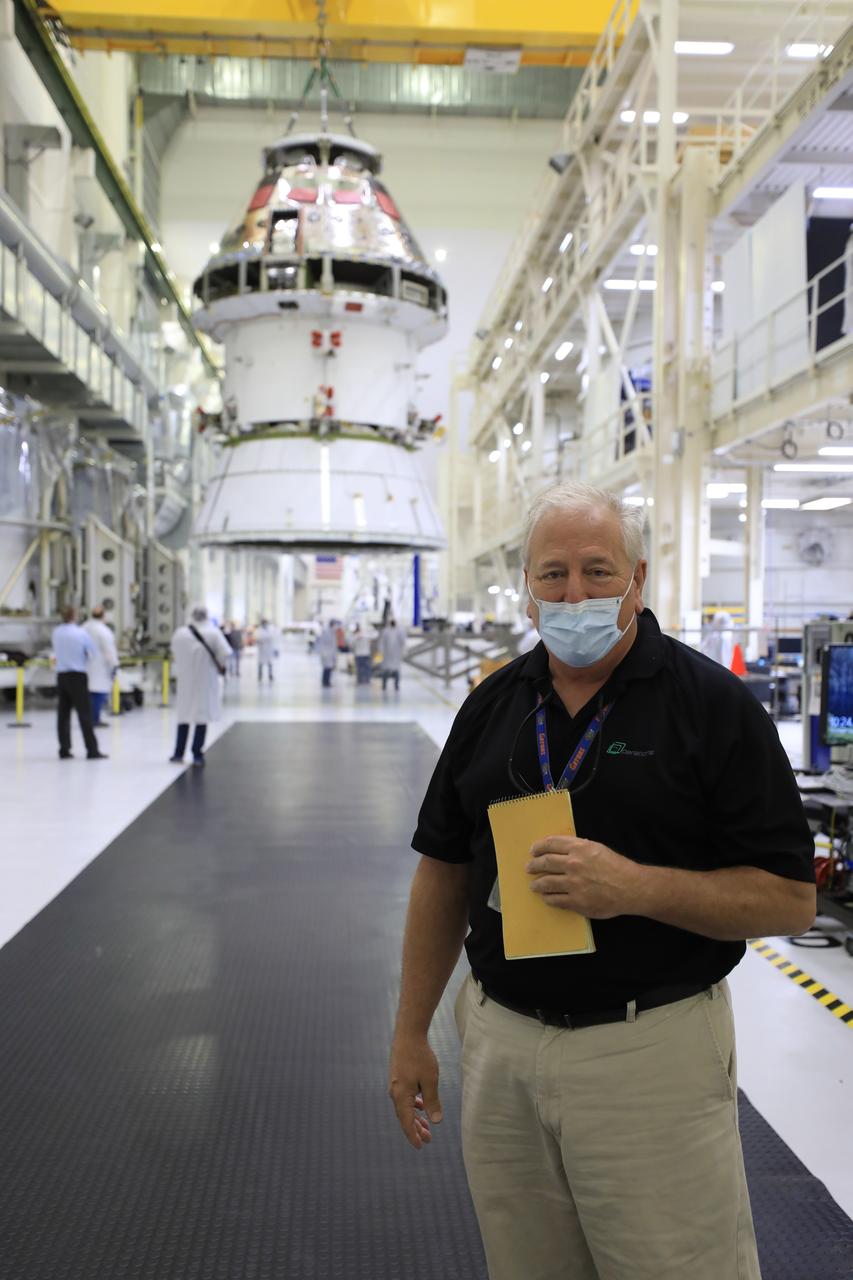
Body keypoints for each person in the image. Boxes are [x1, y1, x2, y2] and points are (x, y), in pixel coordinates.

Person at [388, 481, 816, 1280]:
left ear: (638, 580)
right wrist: (411, 1032)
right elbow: (443, 869)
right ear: (526, 591)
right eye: (552, 574)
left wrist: (636, 888)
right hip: (502, 1043)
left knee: (676, 1264)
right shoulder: (490, 707)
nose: (573, 593)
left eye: (597, 570)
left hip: (646, 1049)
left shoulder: (710, 707)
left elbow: (789, 898)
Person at [169, 606, 231, 766]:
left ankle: (178, 753)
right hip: (205, 679)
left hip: (185, 680)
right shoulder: (213, 633)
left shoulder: (180, 633)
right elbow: (224, 653)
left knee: (183, 716)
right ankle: (197, 754)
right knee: (201, 717)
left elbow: (173, 651)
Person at [51, 605, 106, 760]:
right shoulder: (81, 633)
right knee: (85, 714)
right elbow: (93, 653)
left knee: (63, 715)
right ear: (74, 616)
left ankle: (64, 749)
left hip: (62, 676)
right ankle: (92, 750)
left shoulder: (57, 632)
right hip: (77, 676)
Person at [83, 605, 119, 726]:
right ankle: (95, 719)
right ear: (104, 615)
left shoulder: (84, 627)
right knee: (99, 694)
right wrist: (114, 664)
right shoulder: (104, 630)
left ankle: (89, 718)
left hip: (85, 666)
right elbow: (109, 650)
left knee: (89, 694)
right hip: (100, 666)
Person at [379, 619, 406, 692]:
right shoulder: (386, 631)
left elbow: (403, 641)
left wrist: (403, 651)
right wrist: (381, 651)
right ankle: (384, 685)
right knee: (386, 670)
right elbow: (382, 641)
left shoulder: (399, 631)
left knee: (396, 670)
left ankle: (396, 685)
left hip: (396, 654)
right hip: (387, 654)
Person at [255, 618, 279, 682]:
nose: (264, 624)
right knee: (260, 664)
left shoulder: (270, 629)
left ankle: (270, 675)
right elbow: (258, 638)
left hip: (268, 649)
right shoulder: (259, 630)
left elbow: (273, 636)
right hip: (262, 649)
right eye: (263, 622)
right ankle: (260, 675)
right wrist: (265, 638)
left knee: (270, 663)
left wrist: (266, 638)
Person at [316, 620, 338, 688]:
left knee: (329, 669)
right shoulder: (325, 632)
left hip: (331, 653)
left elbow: (334, 645)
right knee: (326, 669)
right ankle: (325, 682)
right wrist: (322, 653)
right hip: (326, 653)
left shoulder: (333, 633)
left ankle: (327, 682)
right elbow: (321, 643)